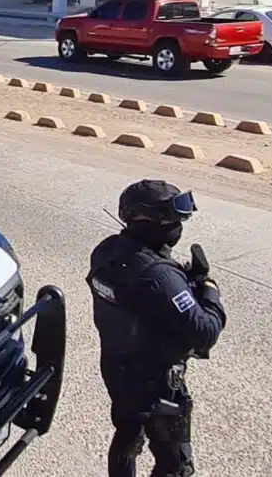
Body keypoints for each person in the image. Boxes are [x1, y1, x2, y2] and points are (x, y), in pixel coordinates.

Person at [87, 180, 227, 477]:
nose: (179, 225)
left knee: (127, 434)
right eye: (175, 218)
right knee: (175, 463)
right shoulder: (159, 276)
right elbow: (205, 332)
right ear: (153, 221)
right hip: (157, 383)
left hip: (117, 367)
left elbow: (139, 299)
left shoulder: (106, 252)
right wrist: (208, 289)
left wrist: (181, 280)